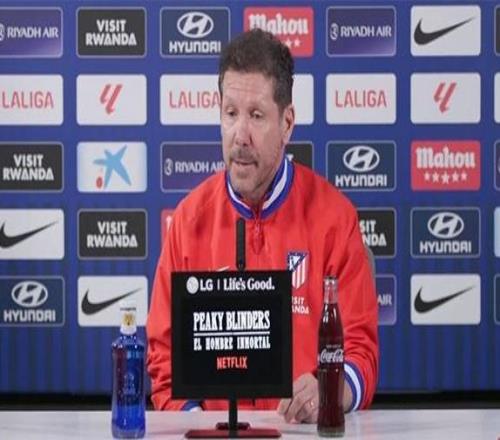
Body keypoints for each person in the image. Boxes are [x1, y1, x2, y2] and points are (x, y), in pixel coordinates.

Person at [147, 28, 378, 423]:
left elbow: (360, 351)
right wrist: (200, 424)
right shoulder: (188, 221)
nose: (240, 136)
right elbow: (164, 365)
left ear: (287, 123)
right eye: (230, 113)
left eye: (256, 116)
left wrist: (330, 390)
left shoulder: (335, 218)